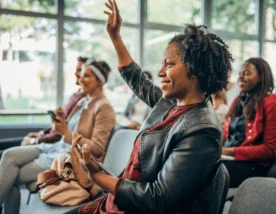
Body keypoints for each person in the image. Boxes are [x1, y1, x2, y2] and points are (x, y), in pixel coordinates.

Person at [66, 1, 233, 213]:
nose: (161, 72)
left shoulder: (202, 130)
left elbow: (158, 199)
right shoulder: (173, 102)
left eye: (169, 64)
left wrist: (97, 176)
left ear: (195, 70)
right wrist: (115, 37)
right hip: (124, 201)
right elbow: (137, 79)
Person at [0, 59, 116, 214]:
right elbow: (71, 128)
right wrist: (62, 121)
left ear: (100, 82)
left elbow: (97, 149)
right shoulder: (83, 101)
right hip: (56, 147)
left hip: (68, 158)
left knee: (9, 177)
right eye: (81, 75)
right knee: (8, 155)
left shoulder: (104, 107)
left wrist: (66, 132)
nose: (80, 79)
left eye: (86, 76)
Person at [222, 57, 276, 187]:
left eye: (247, 73)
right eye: (240, 74)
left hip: (252, 167)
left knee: (206, 171)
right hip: (228, 159)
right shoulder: (237, 101)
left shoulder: (270, 103)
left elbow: (269, 150)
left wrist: (228, 151)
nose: (240, 77)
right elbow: (226, 135)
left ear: (261, 77)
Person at [20, 56, 88, 146]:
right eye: (77, 69)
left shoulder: (84, 102)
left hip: (54, 144)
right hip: (48, 138)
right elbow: (61, 125)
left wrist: (36, 140)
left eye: (80, 71)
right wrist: (41, 133)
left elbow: (61, 133)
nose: (76, 73)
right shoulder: (75, 95)